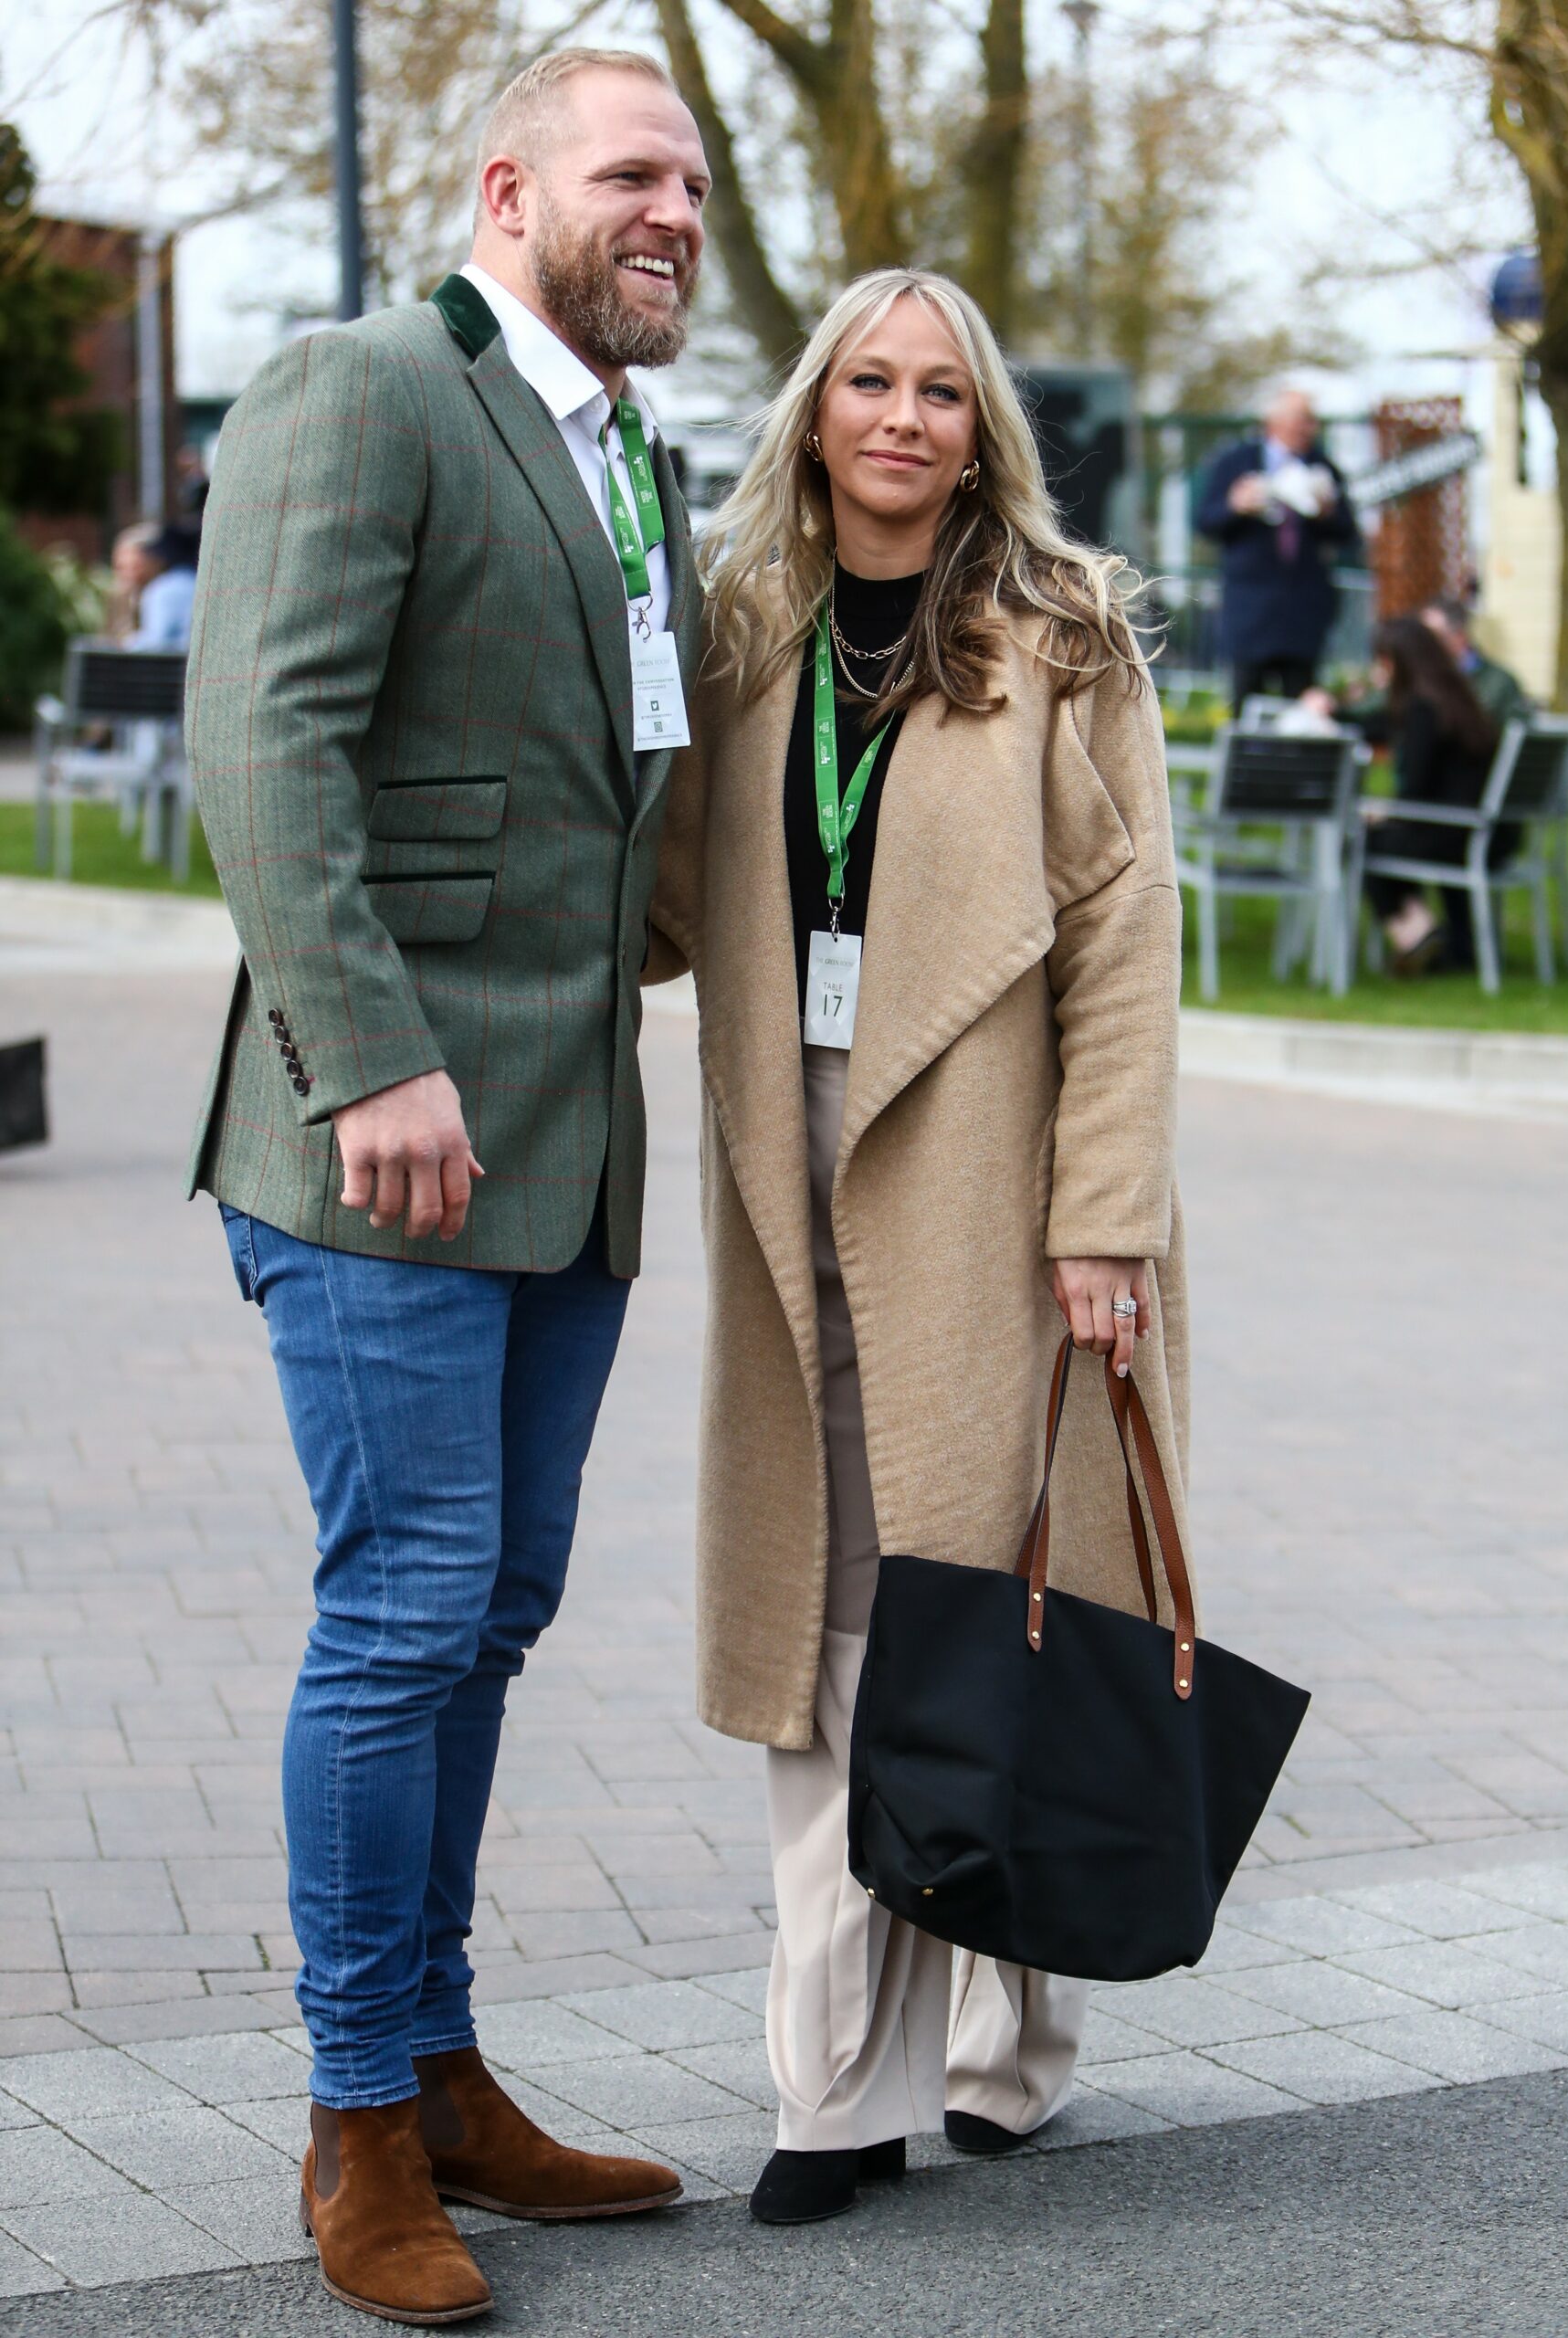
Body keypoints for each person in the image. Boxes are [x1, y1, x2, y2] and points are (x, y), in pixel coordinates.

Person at [184, 48, 710, 2327]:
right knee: (402, 1611)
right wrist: (368, 1051)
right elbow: (264, 732)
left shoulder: (635, 460)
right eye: (632, 171)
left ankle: (437, 2053)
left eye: (693, 178)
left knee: (486, 1616)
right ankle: (354, 2122)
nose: (674, 208)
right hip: (384, 1133)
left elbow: (628, 791)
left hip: (566, 1142)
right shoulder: (366, 384)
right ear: (510, 189)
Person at [647, 269, 1191, 2227]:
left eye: (938, 390)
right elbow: (653, 889)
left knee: (988, 1589)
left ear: (980, 427)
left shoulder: (1061, 631)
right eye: (865, 381)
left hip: (992, 1156)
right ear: (810, 410)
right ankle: (836, 2076)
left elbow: (1128, 943)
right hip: (780, 1143)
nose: (898, 416)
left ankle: (1005, 2035)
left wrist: (1103, 1212)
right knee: (827, 1603)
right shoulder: (732, 629)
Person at [1196, 389, 1360, 713]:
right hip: (1251, 613)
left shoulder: (1322, 467)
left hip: (1302, 613)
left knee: (1300, 710)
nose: (1310, 428)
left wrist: (1326, 511)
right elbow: (1204, 521)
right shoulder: (1236, 463)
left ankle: (1292, 766)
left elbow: (1347, 531)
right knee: (1245, 707)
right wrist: (1235, 505)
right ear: (1275, 421)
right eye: (1304, 419)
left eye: (1313, 421)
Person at [1359, 614, 1504, 973]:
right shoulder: (1460, 698)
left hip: (1452, 831)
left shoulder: (1424, 708)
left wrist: (1381, 812)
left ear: (1399, 663)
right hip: (1491, 829)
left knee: (1358, 838)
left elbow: (1416, 790)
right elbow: (1379, 724)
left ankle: (1417, 934)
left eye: (1385, 661)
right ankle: (1455, 944)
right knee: (1382, 835)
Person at [1419, 594, 1532, 732]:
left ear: (1459, 636)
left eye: (1432, 636)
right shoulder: (1418, 678)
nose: (1423, 645)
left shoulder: (1500, 683)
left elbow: (1517, 740)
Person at [109, 521, 196, 648]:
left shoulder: (163, 590)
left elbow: (156, 645)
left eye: (135, 566)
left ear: (155, 559)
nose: (126, 575)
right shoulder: (189, 579)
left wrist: (126, 644)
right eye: (120, 567)